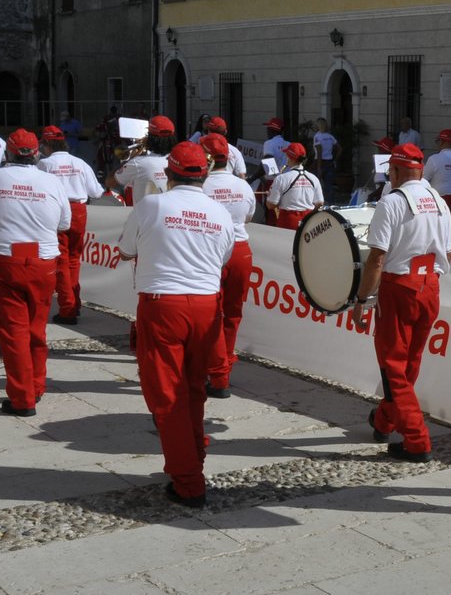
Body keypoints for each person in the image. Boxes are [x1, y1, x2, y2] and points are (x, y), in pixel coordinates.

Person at [116, 141, 236, 509]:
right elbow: (224, 257)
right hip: (204, 305)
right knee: (194, 389)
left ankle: (188, 481)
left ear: (168, 173)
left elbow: (125, 251)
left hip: (162, 305)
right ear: (205, 174)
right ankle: (192, 457)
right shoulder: (220, 213)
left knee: (167, 396)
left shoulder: (151, 205)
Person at [354, 142, 451, 464]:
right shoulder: (439, 201)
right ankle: (384, 421)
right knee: (409, 363)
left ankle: (417, 439)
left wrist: (362, 300)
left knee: (394, 367)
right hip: (430, 286)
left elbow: (376, 259)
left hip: (400, 287)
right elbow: (449, 253)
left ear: (395, 171)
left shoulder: (392, 202)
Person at [0, 130, 69, 416]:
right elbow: (64, 223)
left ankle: (22, 397)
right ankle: (36, 386)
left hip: (2, 259)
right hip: (41, 260)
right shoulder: (51, 181)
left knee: (13, 333)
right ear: (36, 153)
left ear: (7, 154)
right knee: (36, 329)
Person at [200, 135, 256, 399]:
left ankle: (209, 371)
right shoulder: (242, 186)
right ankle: (222, 373)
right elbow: (248, 217)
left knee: (208, 315)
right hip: (241, 251)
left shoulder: (201, 185)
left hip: (210, 251)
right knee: (233, 315)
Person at [38, 125, 103, 325]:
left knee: (62, 262)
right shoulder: (80, 162)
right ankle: (74, 303)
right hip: (78, 211)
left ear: (47, 144)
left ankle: (67, 308)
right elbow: (97, 192)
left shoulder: (45, 164)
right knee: (74, 260)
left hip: (56, 211)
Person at [107, 114, 175, 204]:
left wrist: (130, 160)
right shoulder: (177, 161)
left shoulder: (138, 163)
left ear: (150, 138)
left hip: (145, 217)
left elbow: (109, 182)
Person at [267, 142, 324, 230]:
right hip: (308, 221)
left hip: (288, 220)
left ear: (290, 157)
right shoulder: (314, 178)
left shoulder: (281, 178)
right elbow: (320, 203)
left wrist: (270, 194)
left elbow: (271, 204)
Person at [310, 118, 339, 205]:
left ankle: (314, 202)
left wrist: (319, 167)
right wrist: (335, 160)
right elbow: (340, 148)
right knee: (329, 185)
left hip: (319, 161)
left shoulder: (317, 137)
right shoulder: (330, 136)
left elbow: (319, 151)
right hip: (329, 161)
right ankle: (330, 204)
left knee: (313, 182)